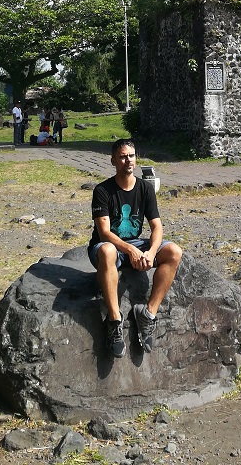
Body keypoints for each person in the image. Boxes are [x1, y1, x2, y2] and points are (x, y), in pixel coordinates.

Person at [88, 138, 182, 359]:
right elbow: (104, 233)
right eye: (122, 156)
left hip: (137, 243)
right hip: (107, 247)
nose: (127, 160)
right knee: (108, 251)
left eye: (131, 155)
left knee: (174, 252)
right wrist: (131, 251)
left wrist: (150, 252)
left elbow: (157, 226)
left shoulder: (145, 188)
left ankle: (148, 314)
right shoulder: (102, 190)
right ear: (113, 161)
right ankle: (114, 320)